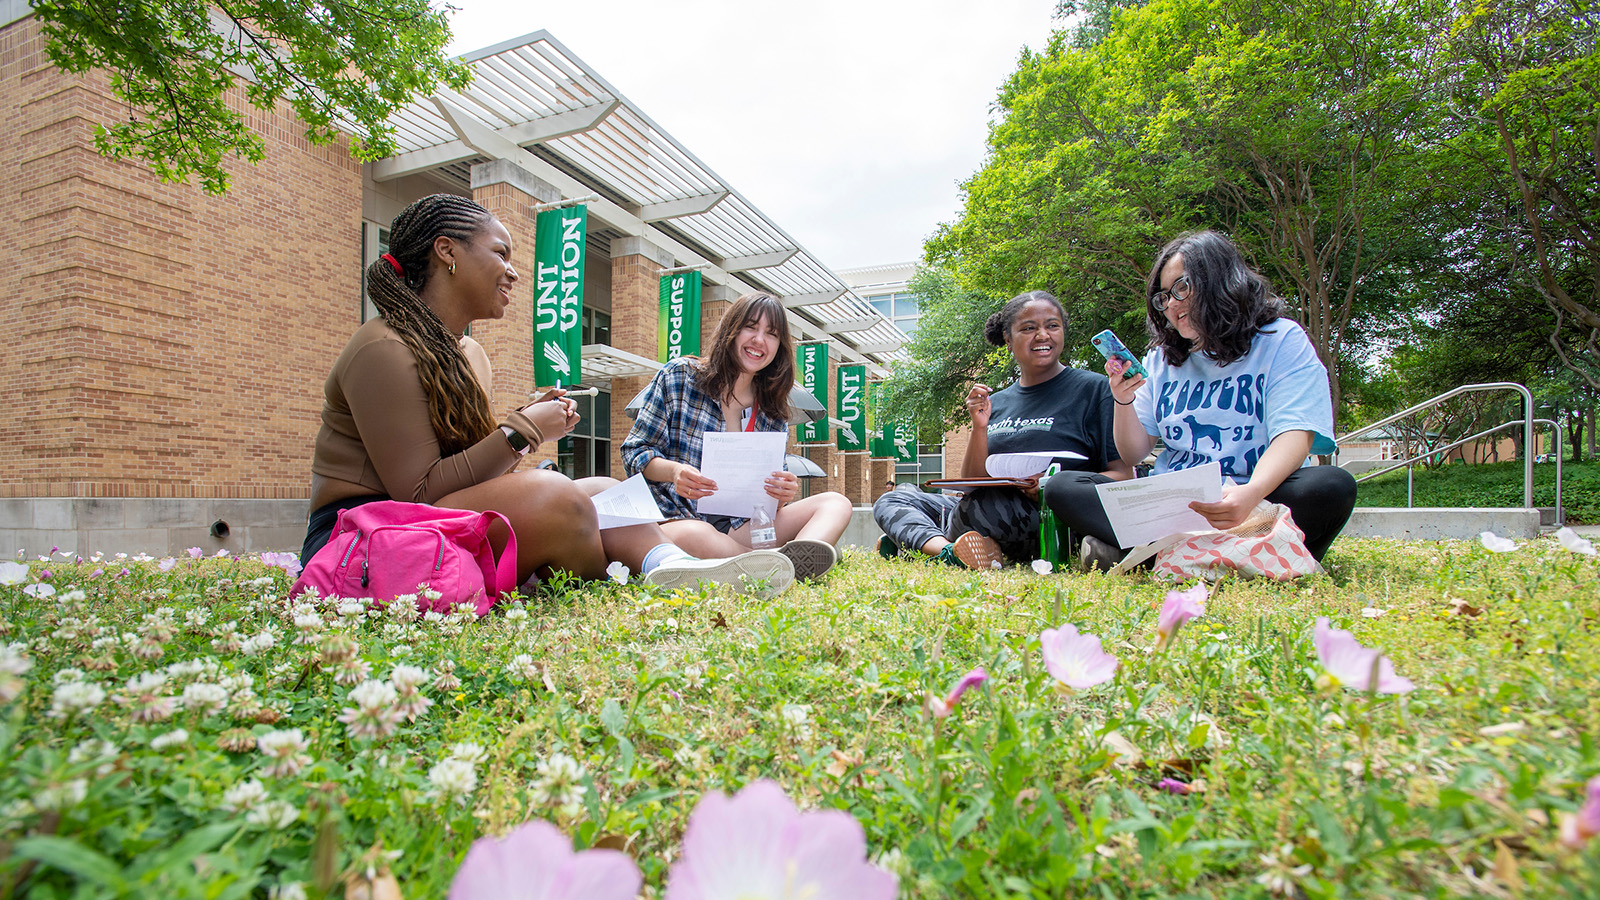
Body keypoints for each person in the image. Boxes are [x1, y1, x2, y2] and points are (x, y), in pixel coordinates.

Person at [301, 193, 793, 597]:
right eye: (500, 254)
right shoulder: (384, 348)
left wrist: (524, 422)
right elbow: (418, 494)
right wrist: (524, 430)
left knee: (603, 488)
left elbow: (467, 477)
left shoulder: (468, 352)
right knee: (555, 492)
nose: (513, 272)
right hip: (364, 537)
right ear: (447, 251)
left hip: (431, 524)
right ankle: (638, 579)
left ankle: (670, 565)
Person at [1049, 229, 1357, 571]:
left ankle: (1152, 555)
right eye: (1163, 297)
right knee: (1063, 486)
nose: (1172, 305)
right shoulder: (1159, 360)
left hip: (1257, 497)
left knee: (1330, 485)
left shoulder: (1281, 340)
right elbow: (1134, 453)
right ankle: (1242, 553)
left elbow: (1295, 433)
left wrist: (1250, 494)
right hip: (1176, 506)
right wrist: (1122, 401)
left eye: (1182, 287)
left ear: (1220, 279)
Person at [874, 290, 1133, 567]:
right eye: (1029, 328)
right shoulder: (996, 401)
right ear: (1008, 340)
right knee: (894, 498)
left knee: (977, 510)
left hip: (1048, 515)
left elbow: (1121, 475)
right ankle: (948, 550)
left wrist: (1047, 486)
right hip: (980, 508)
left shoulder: (1095, 390)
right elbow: (972, 483)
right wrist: (979, 427)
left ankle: (921, 543)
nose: (1043, 335)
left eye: (1052, 325)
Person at [621, 291, 854, 580]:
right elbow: (634, 452)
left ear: (779, 347)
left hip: (746, 524)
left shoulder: (772, 409)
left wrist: (782, 493)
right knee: (699, 535)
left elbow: (772, 498)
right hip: (681, 518)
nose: (759, 340)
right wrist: (675, 472)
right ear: (731, 331)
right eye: (751, 327)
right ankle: (776, 565)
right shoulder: (679, 376)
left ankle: (779, 560)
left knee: (835, 502)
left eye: (772, 334)